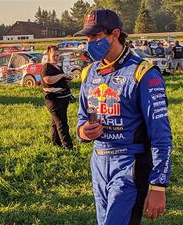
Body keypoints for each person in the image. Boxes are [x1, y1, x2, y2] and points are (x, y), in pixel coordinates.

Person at [74, 9, 172, 225]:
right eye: (87, 37)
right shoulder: (89, 73)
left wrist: (158, 185)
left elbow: (161, 134)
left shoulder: (143, 73)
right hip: (98, 162)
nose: (89, 42)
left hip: (130, 164)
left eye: (96, 36)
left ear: (115, 34)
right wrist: (83, 131)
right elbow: (82, 116)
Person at [41, 45, 74, 149]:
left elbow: (57, 80)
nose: (56, 57)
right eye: (54, 55)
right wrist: (62, 75)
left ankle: (56, 144)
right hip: (53, 99)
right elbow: (48, 80)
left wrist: (66, 78)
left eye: (58, 55)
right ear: (49, 55)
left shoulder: (58, 67)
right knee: (62, 123)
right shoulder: (47, 66)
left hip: (62, 98)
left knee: (55, 123)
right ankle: (68, 147)